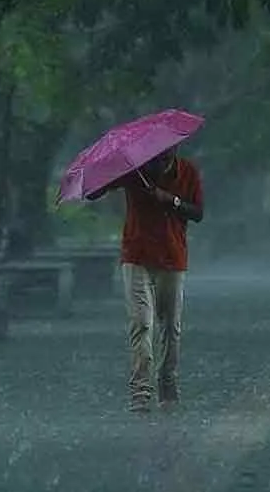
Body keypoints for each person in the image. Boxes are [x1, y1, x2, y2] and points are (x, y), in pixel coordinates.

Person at [86, 147, 204, 413]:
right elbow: (94, 193)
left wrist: (171, 200)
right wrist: (102, 172)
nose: (160, 161)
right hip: (136, 256)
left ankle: (167, 384)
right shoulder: (134, 169)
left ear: (174, 150)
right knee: (141, 323)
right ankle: (140, 390)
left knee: (170, 326)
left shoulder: (188, 172)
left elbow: (198, 213)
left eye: (165, 157)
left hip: (172, 257)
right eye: (156, 157)